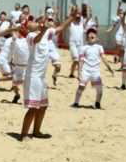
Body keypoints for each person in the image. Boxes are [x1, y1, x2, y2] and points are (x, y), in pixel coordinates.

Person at [20, 9, 76, 141]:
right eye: (31, 21)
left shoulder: (45, 33)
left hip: (41, 77)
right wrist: (44, 29)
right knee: (33, 107)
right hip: (33, 76)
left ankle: (36, 131)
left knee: (43, 105)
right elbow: (37, 39)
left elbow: (60, 28)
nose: (34, 21)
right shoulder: (30, 36)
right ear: (27, 28)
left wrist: (72, 17)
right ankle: (24, 134)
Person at [73, 28, 114, 109]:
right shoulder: (83, 48)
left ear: (97, 38)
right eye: (89, 33)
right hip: (86, 70)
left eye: (93, 33)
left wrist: (109, 68)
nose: (91, 34)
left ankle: (97, 103)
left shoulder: (99, 47)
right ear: (86, 38)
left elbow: (104, 58)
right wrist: (79, 73)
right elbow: (81, 61)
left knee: (100, 89)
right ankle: (76, 103)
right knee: (81, 86)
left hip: (95, 71)